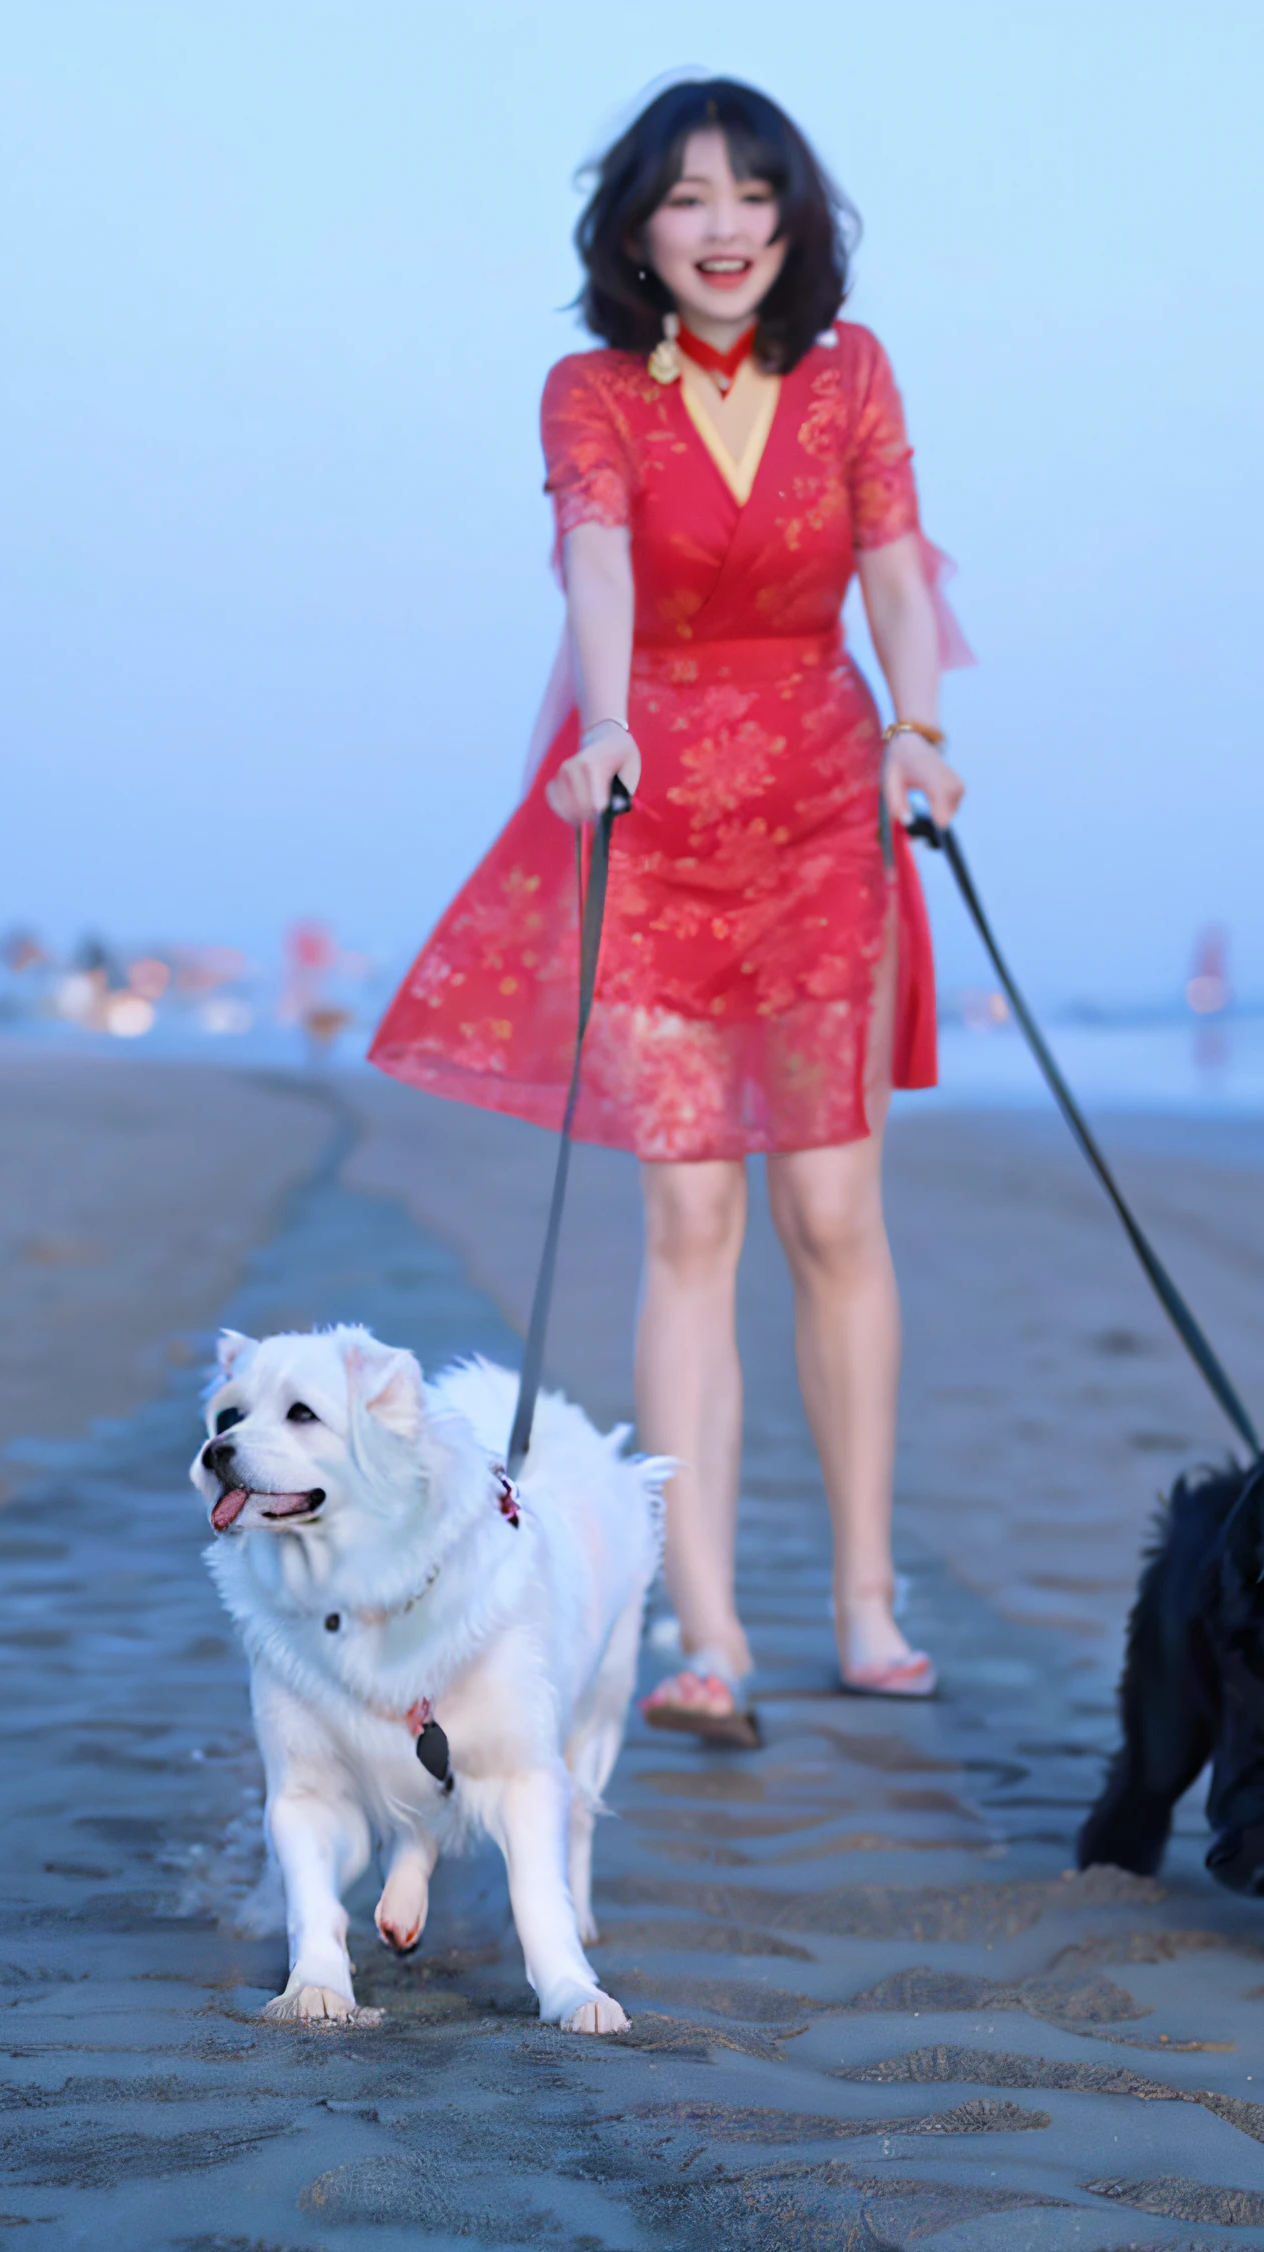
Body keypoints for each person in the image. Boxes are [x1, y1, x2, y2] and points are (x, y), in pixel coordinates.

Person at [370, 77, 968, 1744]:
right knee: (688, 1226)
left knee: (834, 1218)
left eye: (752, 195)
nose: (722, 228)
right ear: (637, 225)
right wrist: (608, 721)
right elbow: (598, 562)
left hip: (826, 818)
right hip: (651, 816)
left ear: (795, 219)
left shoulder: (850, 375)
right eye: (687, 197)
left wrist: (922, 734)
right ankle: (703, 1625)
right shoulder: (590, 391)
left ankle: (863, 1598)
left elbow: (903, 568)